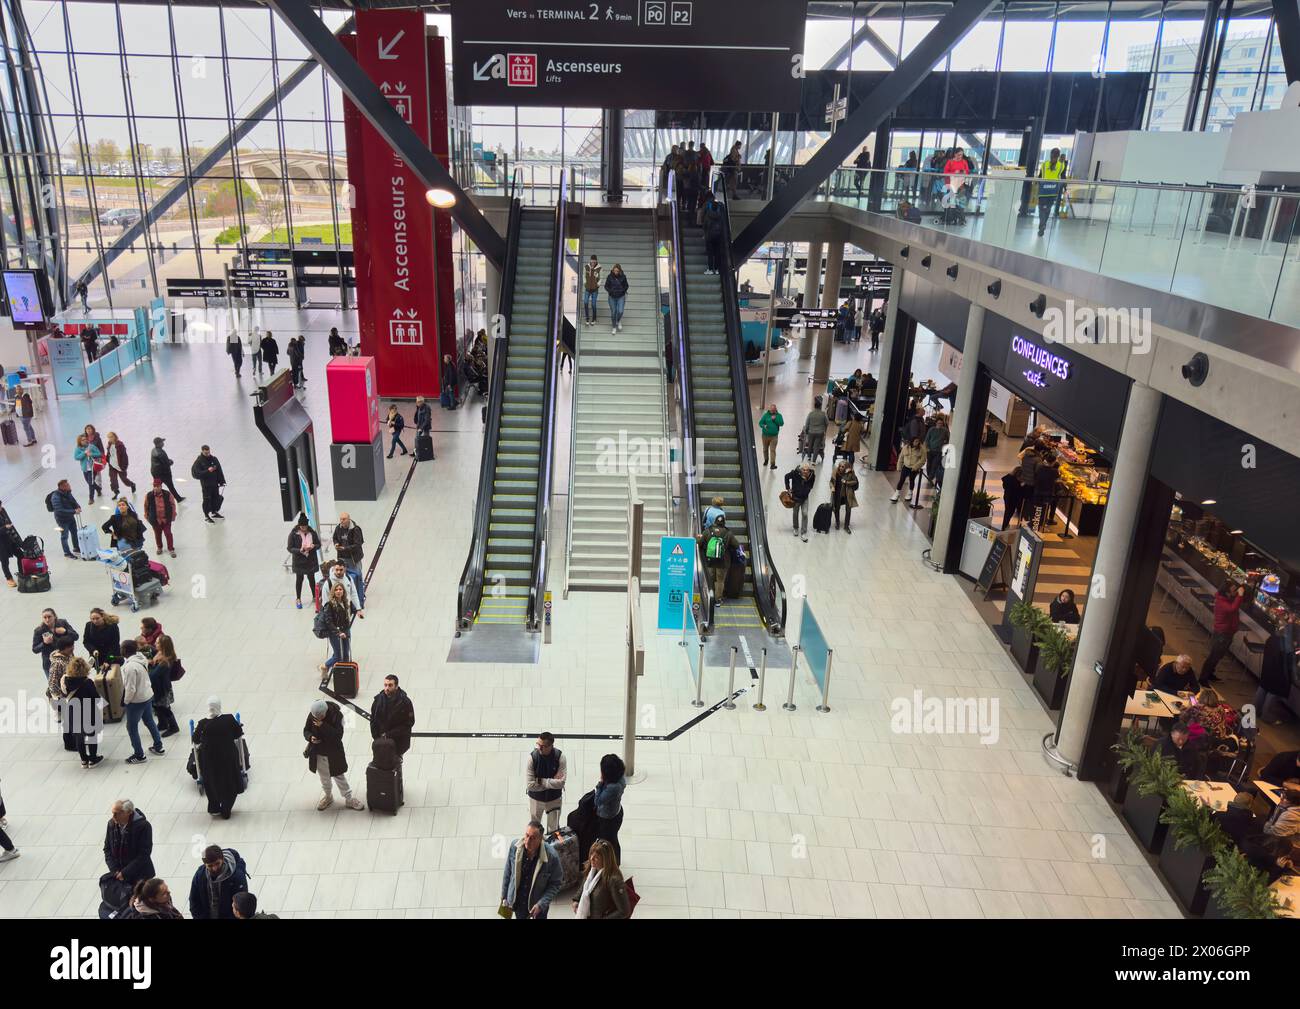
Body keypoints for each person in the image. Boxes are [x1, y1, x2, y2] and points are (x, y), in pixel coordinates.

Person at [304, 698, 364, 811]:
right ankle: (328, 796)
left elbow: (337, 736)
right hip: (318, 752)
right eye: (316, 717)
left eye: (320, 717)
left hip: (333, 753)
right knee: (324, 778)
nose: (317, 719)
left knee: (339, 776)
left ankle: (349, 799)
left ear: (325, 713)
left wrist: (322, 725)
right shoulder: (313, 715)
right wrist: (310, 737)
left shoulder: (337, 715)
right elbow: (306, 730)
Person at [192, 696, 244, 819]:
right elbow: (238, 733)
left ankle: (214, 807)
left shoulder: (202, 724)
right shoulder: (229, 719)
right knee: (230, 782)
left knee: (212, 782)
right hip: (228, 757)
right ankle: (226, 809)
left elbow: (195, 739)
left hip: (209, 760)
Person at [500, 821, 562, 920]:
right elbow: (508, 872)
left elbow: (556, 883)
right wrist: (504, 896)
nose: (528, 841)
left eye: (532, 838)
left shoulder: (552, 857)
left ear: (540, 839)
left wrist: (541, 904)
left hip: (537, 908)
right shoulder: (515, 847)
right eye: (527, 835)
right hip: (517, 903)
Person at [120, 640, 165, 765]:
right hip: (147, 695)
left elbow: (130, 688)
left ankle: (139, 755)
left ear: (125, 650)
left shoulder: (130, 667)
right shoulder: (142, 658)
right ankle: (158, 746)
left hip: (136, 701)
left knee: (131, 727)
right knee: (149, 721)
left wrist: (126, 702)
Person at [570, 838, 630, 920]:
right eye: (591, 854)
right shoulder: (592, 868)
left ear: (606, 859)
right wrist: (576, 899)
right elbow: (585, 886)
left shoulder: (614, 880)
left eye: (596, 857)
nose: (591, 859)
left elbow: (624, 911)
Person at [1202, 579, 1247, 684]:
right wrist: (1240, 596)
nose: (1236, 592)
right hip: (1222, 633)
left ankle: (1210, 674)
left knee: (1219, 655)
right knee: (1213, 656)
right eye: (1234, 590)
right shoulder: (1222, 601)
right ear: (1227, 592)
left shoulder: (1227, 598)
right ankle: (1203, 679)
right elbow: (1232, 609)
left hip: (1227, 632)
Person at [103, 799, 155, 890]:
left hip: (141, 877)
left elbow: (144, 854)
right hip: (119, 877)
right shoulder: (111, 824)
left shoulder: (143, 826)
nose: (113, 816)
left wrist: (124, 873)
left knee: (140, 903)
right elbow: (107, 849)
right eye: (112, 813)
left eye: (117, 813)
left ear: (128, 812)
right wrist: (115, 871)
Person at [188, 844, 249, 920]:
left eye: (217, 863)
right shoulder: (200, 875)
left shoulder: (237, 876)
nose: (214, 868)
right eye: (210, 866)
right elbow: (194, 900)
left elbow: (241, 905)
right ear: (205, 865)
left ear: (222, 859)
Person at [62, 657, 103, 768]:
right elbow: (96, 698)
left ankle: (84, 761)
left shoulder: (66, 681)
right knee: (91, 736)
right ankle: (93, 759)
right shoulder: (87, 682)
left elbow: (64, 693)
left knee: (79, 737)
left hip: (73, 711)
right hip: (88, 712)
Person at [1257, 619, 1297, 725]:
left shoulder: (1272, 638)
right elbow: (1291, 666)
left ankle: (1255, 710)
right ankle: (1266, 716)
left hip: (1267, 669)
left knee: (1263, 688)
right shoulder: (1288, 647)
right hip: (1278, 674)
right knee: (1273, 693)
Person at [526, 732, 566, 833]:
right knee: (534, 829)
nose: (538, 748)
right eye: (538, 744)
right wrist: (552, 781)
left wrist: (539, 780)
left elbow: (561, 783)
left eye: (542, 746)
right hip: (535, 799)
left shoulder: (560, 757)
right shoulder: (532, 758)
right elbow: (530, 785)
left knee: (554, 830)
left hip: (554, 799)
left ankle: (551, 848)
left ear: (550, 746)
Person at [316, 581, 356, 676]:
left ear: (343, 591)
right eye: (336, 590)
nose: (338, 591)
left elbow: (348, 614)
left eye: (340, 589)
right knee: (338, 655)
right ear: (333, 592)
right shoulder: (329, 605)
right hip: (334, 632)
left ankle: (344, 673)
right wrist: (338, 632)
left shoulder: (345, 602)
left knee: (346, 654)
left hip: (345, 630)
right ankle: (325, 666)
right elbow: (329, 622)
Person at [371, 674, 415, 758]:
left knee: (396, 765)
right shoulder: (378, 700)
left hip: (398, 742)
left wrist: (388, 734)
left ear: (396, 686)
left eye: (390, 685)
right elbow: (373, 720)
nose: (387, 688)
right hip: (381, 742)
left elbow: (409, 723)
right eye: (385, 685)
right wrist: (376, 737)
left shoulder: (405, 702)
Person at [148, 634, 182, 738]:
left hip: (161, 689)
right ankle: (162, 723)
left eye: (158, 642)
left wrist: (148, 666)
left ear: (163, 645)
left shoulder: (165, 662)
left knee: (164, 708)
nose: (155, 643)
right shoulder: (160, 654)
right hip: (158, 687)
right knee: (157, 706)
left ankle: (173, 726)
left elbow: (153, 675)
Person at [594, 753, 626, 863]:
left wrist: (600, 784)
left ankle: (611, 863)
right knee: (613, 839)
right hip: (617, 813)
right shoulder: (621, 779)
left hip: (607, 819)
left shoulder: (613, 787)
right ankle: (615, 862)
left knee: (608, 842)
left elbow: (598, 801)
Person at [32, 608, 78, 682]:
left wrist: (65, 632)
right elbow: (35, 649)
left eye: (49, 617)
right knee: (54, 687)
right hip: (50, 665)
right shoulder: (39, 630)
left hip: (68, 661)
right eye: (45, 617)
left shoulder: (63, 623)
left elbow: (76, 636)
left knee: (73, 683)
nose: (47, 619)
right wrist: (44, 643)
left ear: (54, 616)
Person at [332, 512, 366, 609]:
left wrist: (345, 548)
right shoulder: (338, 528)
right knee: (345, 577)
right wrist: (336, 544)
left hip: (354, 558)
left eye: (343, 519)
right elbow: (334, 538)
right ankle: (348, 594)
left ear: (348, 519)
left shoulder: (355, 529)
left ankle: (360, 595)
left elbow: (358, 544)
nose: (341, 521)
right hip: (342, 557)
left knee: (358, 575)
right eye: (340, 519)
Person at [286, 513, 320, 610]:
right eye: (302, 527)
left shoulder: (312, 533)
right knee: (299, 580)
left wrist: (313, 546)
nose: (304, 529)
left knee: (312, 579)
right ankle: (298, 598)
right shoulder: (293, 534)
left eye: (305, 526)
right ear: (299, 526)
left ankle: (315, 596)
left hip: (310, 561)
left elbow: (318, 544)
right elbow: (290, 548)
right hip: (299, 561)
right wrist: (299, 550)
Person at [700, 518, 740, 600]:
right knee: (720, 581)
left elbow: (699, 542)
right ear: (724, 523)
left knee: (709, 579)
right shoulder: (728, 533)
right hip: (723, 561)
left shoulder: (708, 530)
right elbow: (736, 545)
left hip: (710, 560)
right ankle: (718, 599)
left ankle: (708, 597)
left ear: (715, 522)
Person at [191, 445, 226, 523]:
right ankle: (206, 515)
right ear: (202, 451)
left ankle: (214, 512)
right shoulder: (199, 461)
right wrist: (207, 471)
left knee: (215, 498)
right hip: (206, 485)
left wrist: (222, 481)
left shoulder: (214, 459)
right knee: (206, 500)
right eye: (206, 453)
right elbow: (196, 474)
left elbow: (219, 470)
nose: (207, 454)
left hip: (214, 484)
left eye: (208, 452)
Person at [1036, 147, 1067, 237]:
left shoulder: (1044, 164)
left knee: (1041, 209)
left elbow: (1040, 176)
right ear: (1058, 156)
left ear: (1050, 155)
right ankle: (1043, 224)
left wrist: (1037, 183)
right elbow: (1063, 177)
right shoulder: (1061, 166)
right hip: (1053, 190)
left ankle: (1042, 225)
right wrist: (1065, 188)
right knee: (1048, 209)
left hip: (1043, 190)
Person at [118, 877, 183, 919]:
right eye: (164, 893)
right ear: (152, 899)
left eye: (167, 889)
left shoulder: (164, 899)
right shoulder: (143, 916)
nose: (169, 892)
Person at [143, 478, 177, 557]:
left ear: (161, 486)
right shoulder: (149, 495)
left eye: (158, 486)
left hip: (166, 519)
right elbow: (146, 506)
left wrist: (173, 515)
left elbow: (172, 505)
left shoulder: (167, 494)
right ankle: (159, 547)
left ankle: (171, 549)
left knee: (168, 533)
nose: (156, 488)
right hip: (155, 520)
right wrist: (147, 516)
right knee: (157, 534)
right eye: (155, 486)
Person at [784, 462, 816, 541]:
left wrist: (807, 489)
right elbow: (786, 477)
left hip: (805, 498)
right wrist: (788, 488)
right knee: (795, 513)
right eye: (804, 470)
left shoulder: (812, 476)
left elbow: (811, 485)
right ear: (801, 470)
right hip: (796, 498)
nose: (805, 472)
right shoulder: (795, 473)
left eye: (807, 470)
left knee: (805, 514)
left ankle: (804, 532)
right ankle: (795, 528)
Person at [891, 437, 927, 504]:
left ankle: (910, 493)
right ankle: (897, 493)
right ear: (912, 441)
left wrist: (916, 467)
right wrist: (899, 466)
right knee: (901, 480)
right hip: (906, 466)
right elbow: (901, 457)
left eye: (918, 441)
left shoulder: (922, 449)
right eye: (915, 441)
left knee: (911, 480)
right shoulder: (906, 447)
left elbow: (923, 460)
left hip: (914, 468)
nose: (917, 443)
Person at [149, 437, 184, 502]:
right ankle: (178, 499)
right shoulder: (161, 453)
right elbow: (166, 463)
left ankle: (152, 499)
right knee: (170, 486)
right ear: (159, 444)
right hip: (164, 474)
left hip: (155, 473)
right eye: (162, 442)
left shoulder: (153, 450)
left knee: (157, 487)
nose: (163, 443)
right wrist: (171, 462)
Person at [103, 432, 136, 496]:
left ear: (115, 436)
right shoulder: (109, 444)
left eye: (111, 437)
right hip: (112, 465)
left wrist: (124, 466)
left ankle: (132, 484)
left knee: (124, 480)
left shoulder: (120, 445)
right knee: (113, 480)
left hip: (120, 465)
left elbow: (124, 457)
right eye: (109, 437)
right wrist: (106, 459)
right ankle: (116, 492)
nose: (110, 438)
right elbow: (109, 453)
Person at [830, 460, 859, 533]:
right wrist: (832, 487)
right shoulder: (835, 472)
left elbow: (855, 481)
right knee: (836, 508)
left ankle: (846, 526)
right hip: (837, 493)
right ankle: (837, 522)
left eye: (842, 467)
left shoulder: (850, 472)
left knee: (848, 510)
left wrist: (846, 482)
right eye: (840, 466)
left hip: (847, 494)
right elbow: (831, 482)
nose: (840, 468)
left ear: (846, 467)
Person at [74, 434, 103, 504]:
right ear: (79, 441)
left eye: (85, 439)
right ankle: (98, 489)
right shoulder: (78, 449)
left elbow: (99, 454)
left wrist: (91, 454)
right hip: (85, 469)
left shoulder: (91, 446)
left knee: (90, 483)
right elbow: (76, 457)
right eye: (82, 440)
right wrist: (84, 453)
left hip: (92, 468)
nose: (85, 441)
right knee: (90, 483)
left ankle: (91, 498)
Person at [702, 193, 725, 275]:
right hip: (718, 235)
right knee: (717, 253)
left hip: (709, 235)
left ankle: (710, 269)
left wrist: (704, 233)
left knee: (710, 253)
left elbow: (704, 224)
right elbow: (723, 223)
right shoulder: (720, 210)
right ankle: (717, 269)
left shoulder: (707, 213)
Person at [802, 396, 829, 462]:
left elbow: (807, 423)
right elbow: (827, 423)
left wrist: (806, 430)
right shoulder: (823, 414)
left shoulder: (811, 414)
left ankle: (809, 456)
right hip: (820, 433)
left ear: (814, 406)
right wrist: (825, 430)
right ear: (820, 407)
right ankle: (814, 460)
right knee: (816, 446)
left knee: (810, 444)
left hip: (811, 432)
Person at [924, 415, 949, 487]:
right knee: (929, 464)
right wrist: (927, 448)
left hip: (939, 451)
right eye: (938, 423)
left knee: (935, 465)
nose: (940, 425)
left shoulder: (945, 430)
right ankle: (929, 476)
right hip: (930, 450)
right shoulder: (932, 429)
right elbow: (927, 439)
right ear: (936, 423)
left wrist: (945, 444)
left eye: (941, 423)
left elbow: (948, 439)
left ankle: (930, 477)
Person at [759, 401, 786, 467]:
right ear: (769, 409)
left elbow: (781, 423)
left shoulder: (779, 415)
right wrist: (764, 426)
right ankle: (766, 460)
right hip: (765, 436)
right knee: (765, 449)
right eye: (771, 410)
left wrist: (775, 420)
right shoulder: (765, 415)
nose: (772, 411)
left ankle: (772, 464)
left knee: (772, 450)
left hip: (774, 437)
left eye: (773, 410)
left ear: (775, 409)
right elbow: (760, 423)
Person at [604, 263, 628, 334]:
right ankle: (614, 327)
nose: (616, 272)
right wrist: (610, 291)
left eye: (617, 271)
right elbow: (606, 286)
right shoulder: (609, 277)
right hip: (612, 297)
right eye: (615, 271)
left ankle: (618, 321)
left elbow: (626, 286)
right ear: (613, 270)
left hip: (621, 296)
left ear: (620, 271)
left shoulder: (623, 277)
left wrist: (623, 291)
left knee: (620, 311)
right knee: (613, 312)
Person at [583, 254, 601, 326]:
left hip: (595, 289)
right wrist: (585, 283)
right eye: (592, 261)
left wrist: (598, 284)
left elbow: (601, 277)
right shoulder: (586, 267)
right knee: (585, 302)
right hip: (587, 288)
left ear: (596, 261)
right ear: (590, 260)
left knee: (593, 304)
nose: (593, 262)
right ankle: (587, 318)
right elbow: (583, 276)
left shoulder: (599, 268)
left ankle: (594, 318)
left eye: (594, 261)